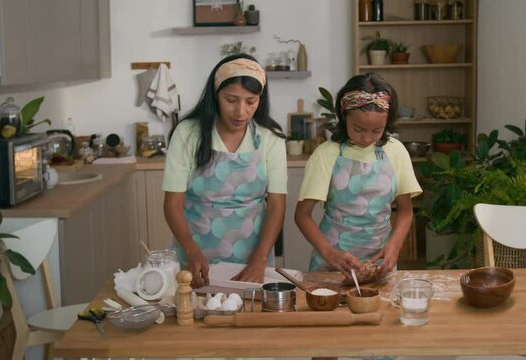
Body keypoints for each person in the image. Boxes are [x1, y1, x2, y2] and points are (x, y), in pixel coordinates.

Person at [163, 54, 287, 288]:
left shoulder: (270, 137)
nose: (241, 112)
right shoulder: (188, 133)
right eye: (231, 100)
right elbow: (172, 203)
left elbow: (277, 205)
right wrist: (191, 251)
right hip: (196, 255)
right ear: (215, 95)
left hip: (254, 258)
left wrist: (259, 260)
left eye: (251, 102)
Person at [294, 73, 422, 278]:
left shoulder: (396, 151)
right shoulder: (326, 154)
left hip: (380, 262)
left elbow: (405, 211)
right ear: (344, 117)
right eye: (359, 129)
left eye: (376, 130)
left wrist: (395, 246)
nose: (366, 138)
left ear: (387, 123)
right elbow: (302, 215)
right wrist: (330, 253)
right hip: (333, 263)